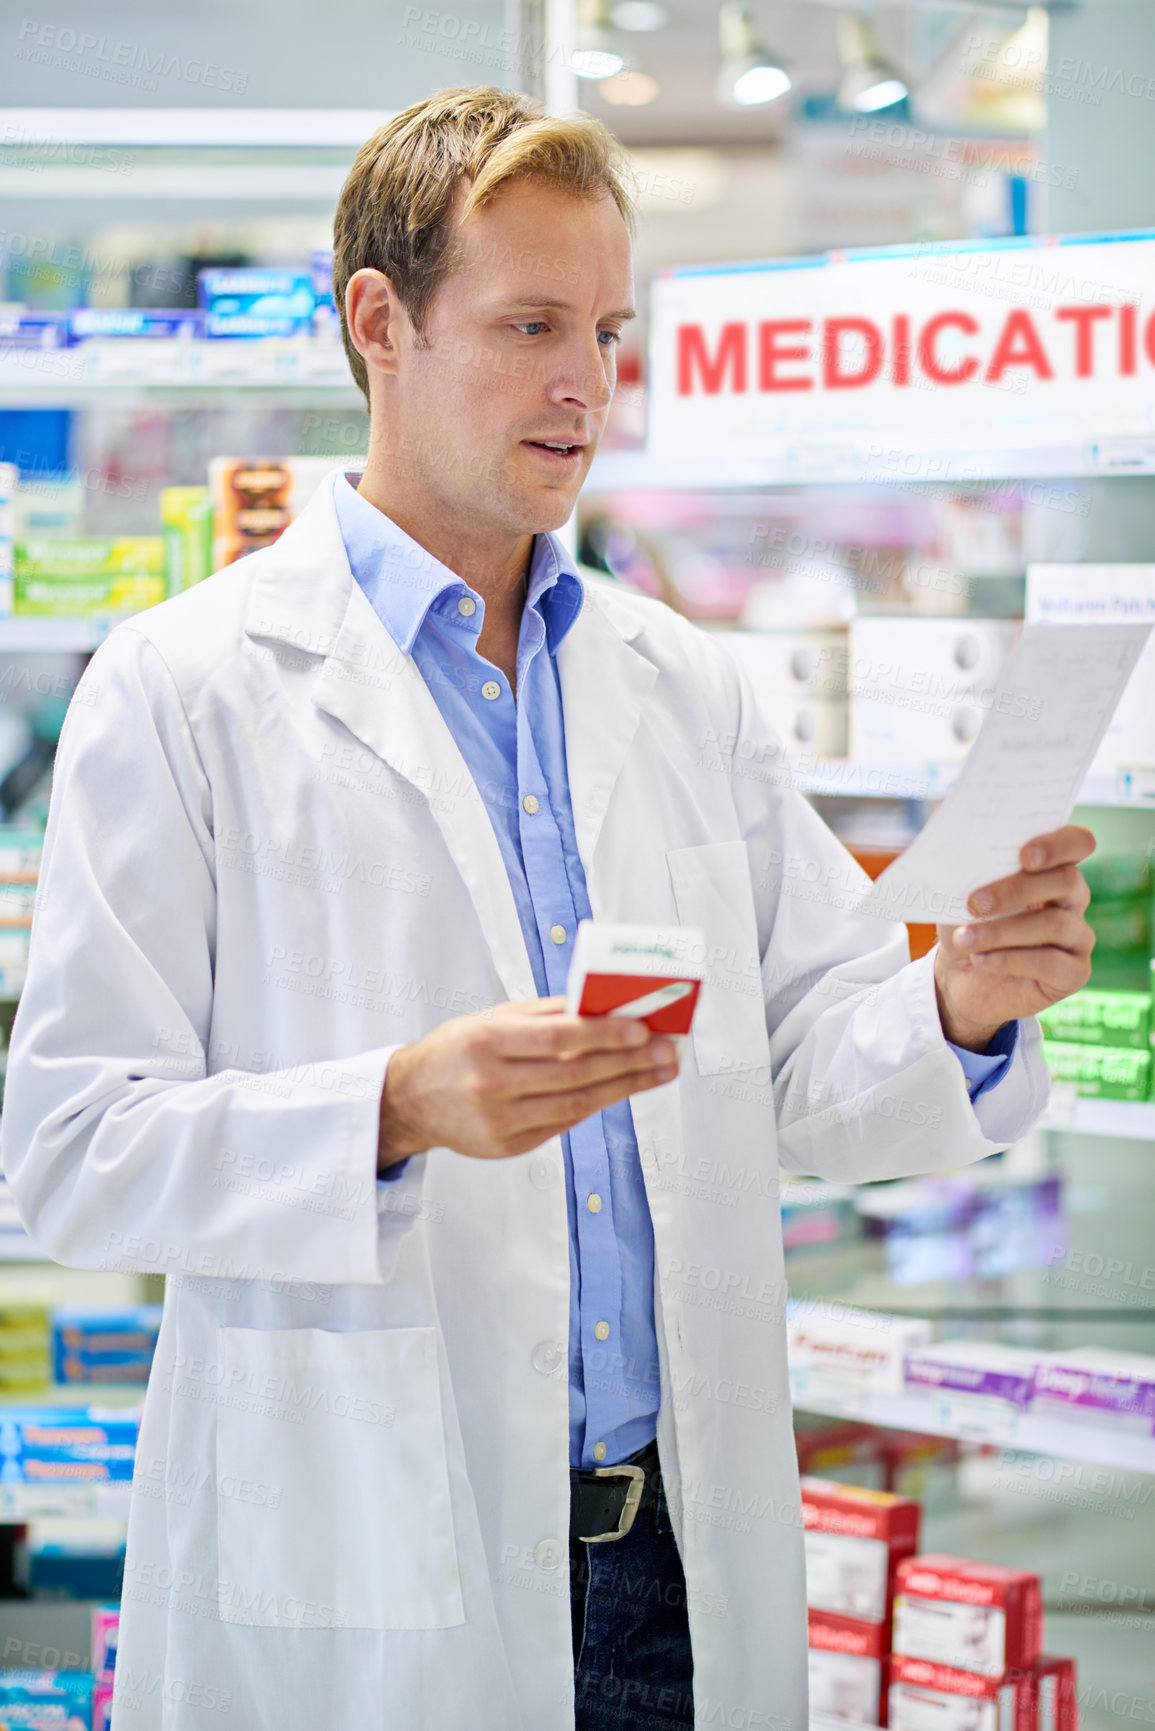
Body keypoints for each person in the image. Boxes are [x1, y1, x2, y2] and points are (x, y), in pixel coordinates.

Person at [2, 87, 1093, 1731]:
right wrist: (392, 1107)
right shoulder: (187, 691)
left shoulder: (679, 682)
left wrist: (962, 1003)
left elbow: (805, 1058)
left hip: (676, 1575)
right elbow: (70, 1148)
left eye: (604, 328)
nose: (584, 383)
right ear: (381, 322)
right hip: (376, 1569)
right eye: (527, 325)